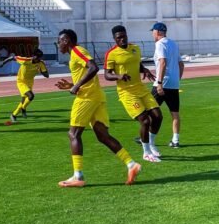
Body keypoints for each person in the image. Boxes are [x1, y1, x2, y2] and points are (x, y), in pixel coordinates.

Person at [55, 29, 141, 187]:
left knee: (73, 134)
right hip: (96, 97)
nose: (58, 44)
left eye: (59, 40)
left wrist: (77, 87)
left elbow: (93, 67)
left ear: (66, 40)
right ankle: (131, 164)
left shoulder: (77, 51)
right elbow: (87, 74)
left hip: (87, 98)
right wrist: (72, 85)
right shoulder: (75, 54)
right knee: (103, 135)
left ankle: (78, 176)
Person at [104, 25, 163, 162]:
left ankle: (152, 144)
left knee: (158, 116)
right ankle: (146, 152)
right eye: (119, 38)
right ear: (114, 39)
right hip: (127, 92)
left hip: (141, 89)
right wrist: (118, 76)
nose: (122, 39)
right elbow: (107, 75)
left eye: (124, 36)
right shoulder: (111, 54)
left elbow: (137, 64)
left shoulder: (135, 48)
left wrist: (145, 70)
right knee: (145, 120)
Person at [150, 22, 184, 148]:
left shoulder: (160, 44)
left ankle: (147, 137)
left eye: (153, 31)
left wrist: (159, 83)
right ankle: (175, 140)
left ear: (157, 32)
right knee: (175, 113)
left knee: (149, 110)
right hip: (173, 84)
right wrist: (177, 79)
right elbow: (181, 64)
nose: (152, 34)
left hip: (162, 83)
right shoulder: (173, 44)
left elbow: (163, 62)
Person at [0, 48, 49, 122]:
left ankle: (14, 115)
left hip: (30, 82)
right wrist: (3, 63)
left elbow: (47, 75)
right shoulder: (26, 60)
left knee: (24, 100)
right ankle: (23, 108)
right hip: (21, 82)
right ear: (33, 56)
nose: (39, 59)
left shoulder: (40, 63)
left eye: (40, 58)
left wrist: (41, 71)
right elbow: (13, 58)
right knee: (31, 96)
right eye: (37, 57)